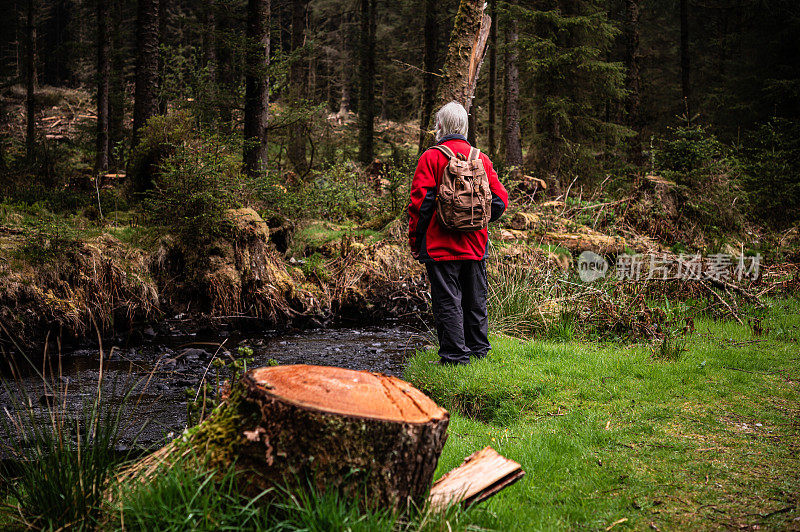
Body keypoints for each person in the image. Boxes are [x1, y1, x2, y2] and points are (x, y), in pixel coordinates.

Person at [408, 101, 509, 365]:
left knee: (448, 302)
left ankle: (454, 357)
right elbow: (500, 201)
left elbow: (420, 205)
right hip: (475, 244)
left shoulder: (431, 157)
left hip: (439, 246)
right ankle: (478, 351)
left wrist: (416, 241)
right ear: (464, 126)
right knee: (475, 299)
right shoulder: (480, 158)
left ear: (439, 126)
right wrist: (478, 222)